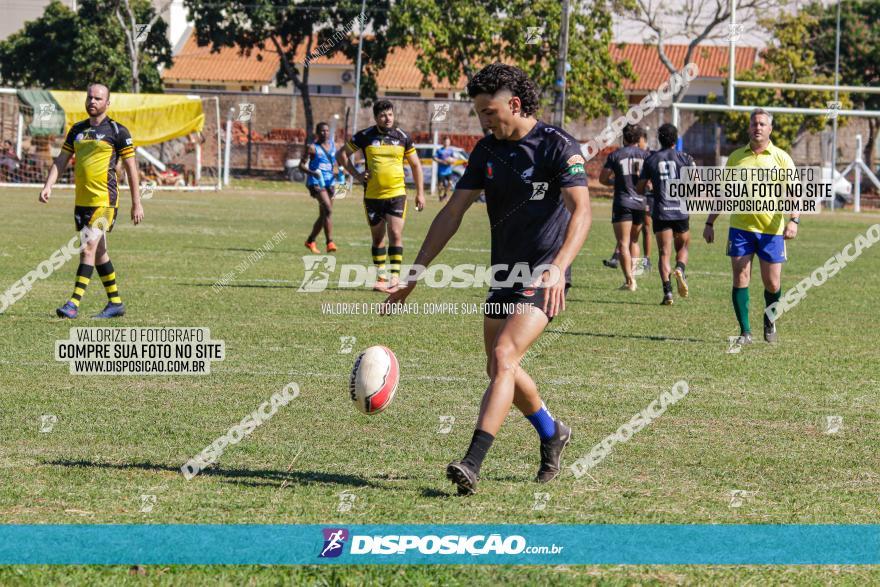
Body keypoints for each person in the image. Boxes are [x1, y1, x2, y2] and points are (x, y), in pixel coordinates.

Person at [382, 63, 592, 495]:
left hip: (544, 273)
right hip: (504, 274)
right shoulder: (486, 151)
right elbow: (451, 214)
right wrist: (414, 275)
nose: (484, 120)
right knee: (501, 367)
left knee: (503, 356)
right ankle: (553, 432)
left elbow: (583, 211)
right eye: (479, 112)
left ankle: (472, 462)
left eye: (489, 111)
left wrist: (558, 267)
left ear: (514, 105)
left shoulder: (557, 146)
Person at [39, 82, 143, 319]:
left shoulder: (118, 132)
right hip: (82, 201)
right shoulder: (77, 129)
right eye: (90, 98)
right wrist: (48, 185)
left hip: (105, 201)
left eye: (98, 98)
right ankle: (115, 303)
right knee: (99, 253)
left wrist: (137, 202)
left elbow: (131, 168)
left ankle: (73, 304)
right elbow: (62, 159)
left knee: (87, 248)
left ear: (108, 102)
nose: (92, 102)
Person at [703, 108, 798, 344]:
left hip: (771, 231)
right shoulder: (736, 158)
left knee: (772, 283)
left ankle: (770, 318)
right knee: (740, 277)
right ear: (749, 128)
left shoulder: (781, 158)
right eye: (754, 123)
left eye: (762, 124)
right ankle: (745, 332)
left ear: (770, 129)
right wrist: (709, 222)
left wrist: (794, 220)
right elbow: (724, 194)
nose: (758, 127)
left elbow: (795, 193)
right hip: (741, 229)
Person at [337, 101, 426, 292]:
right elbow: (341, 155)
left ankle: (394, 277)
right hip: (372, 196)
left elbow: (416, 165)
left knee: (395, 234)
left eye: (390, 115)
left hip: (396, 194)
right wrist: (357, 175)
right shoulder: (364, 136)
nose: (388, 119)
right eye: (383, 115)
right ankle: (380, 277)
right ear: (376, 117)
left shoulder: (402, 137)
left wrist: (420, 193)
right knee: (378, 238)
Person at [636, 124, 694, 305]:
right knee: (683, 247)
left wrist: (651, 186)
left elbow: (639, 187)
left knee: (663, 254)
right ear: (676, 139)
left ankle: (668, 293)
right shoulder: (685, 158)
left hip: (661, 211)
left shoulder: (651, 160)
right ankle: (680, 268)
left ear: (659, 139)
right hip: (680, 210)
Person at [599, 124, 650, 290]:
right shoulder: (646, 156)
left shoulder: (616, 155)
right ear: (638, 139)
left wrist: (616, 181)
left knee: (623, 242)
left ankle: (629, 281)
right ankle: (633, 276)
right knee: (634, 240)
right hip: (640, 203)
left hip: (623, 202)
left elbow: (603, 178)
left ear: (624, 138)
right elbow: (651, 181)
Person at [299, 122, 338, 253]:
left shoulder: (333, 146)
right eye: (322, 131)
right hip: (315, 183)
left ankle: (310, 241)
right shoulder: (312, 147)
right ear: (317, 132)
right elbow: (301, 166)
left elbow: (333, 165)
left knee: (324, 214)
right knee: (328, 209)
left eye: (327, 131)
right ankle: (330, 242)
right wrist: (313, 173)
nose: (325, 133)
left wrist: (338, 175)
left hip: (329, 183)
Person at [434, 136, 455, 202]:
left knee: (450, 183)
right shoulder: (439, 150)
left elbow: (453, 159)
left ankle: (445, 194)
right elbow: (434, 158)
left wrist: (451, 161)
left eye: (448, 142)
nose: (447, 143)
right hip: (441, 171)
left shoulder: (451, 150)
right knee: (440, 185)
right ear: (443, 142)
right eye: (446, 142)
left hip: (448, 171)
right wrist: (442, 161)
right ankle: (440, 196)